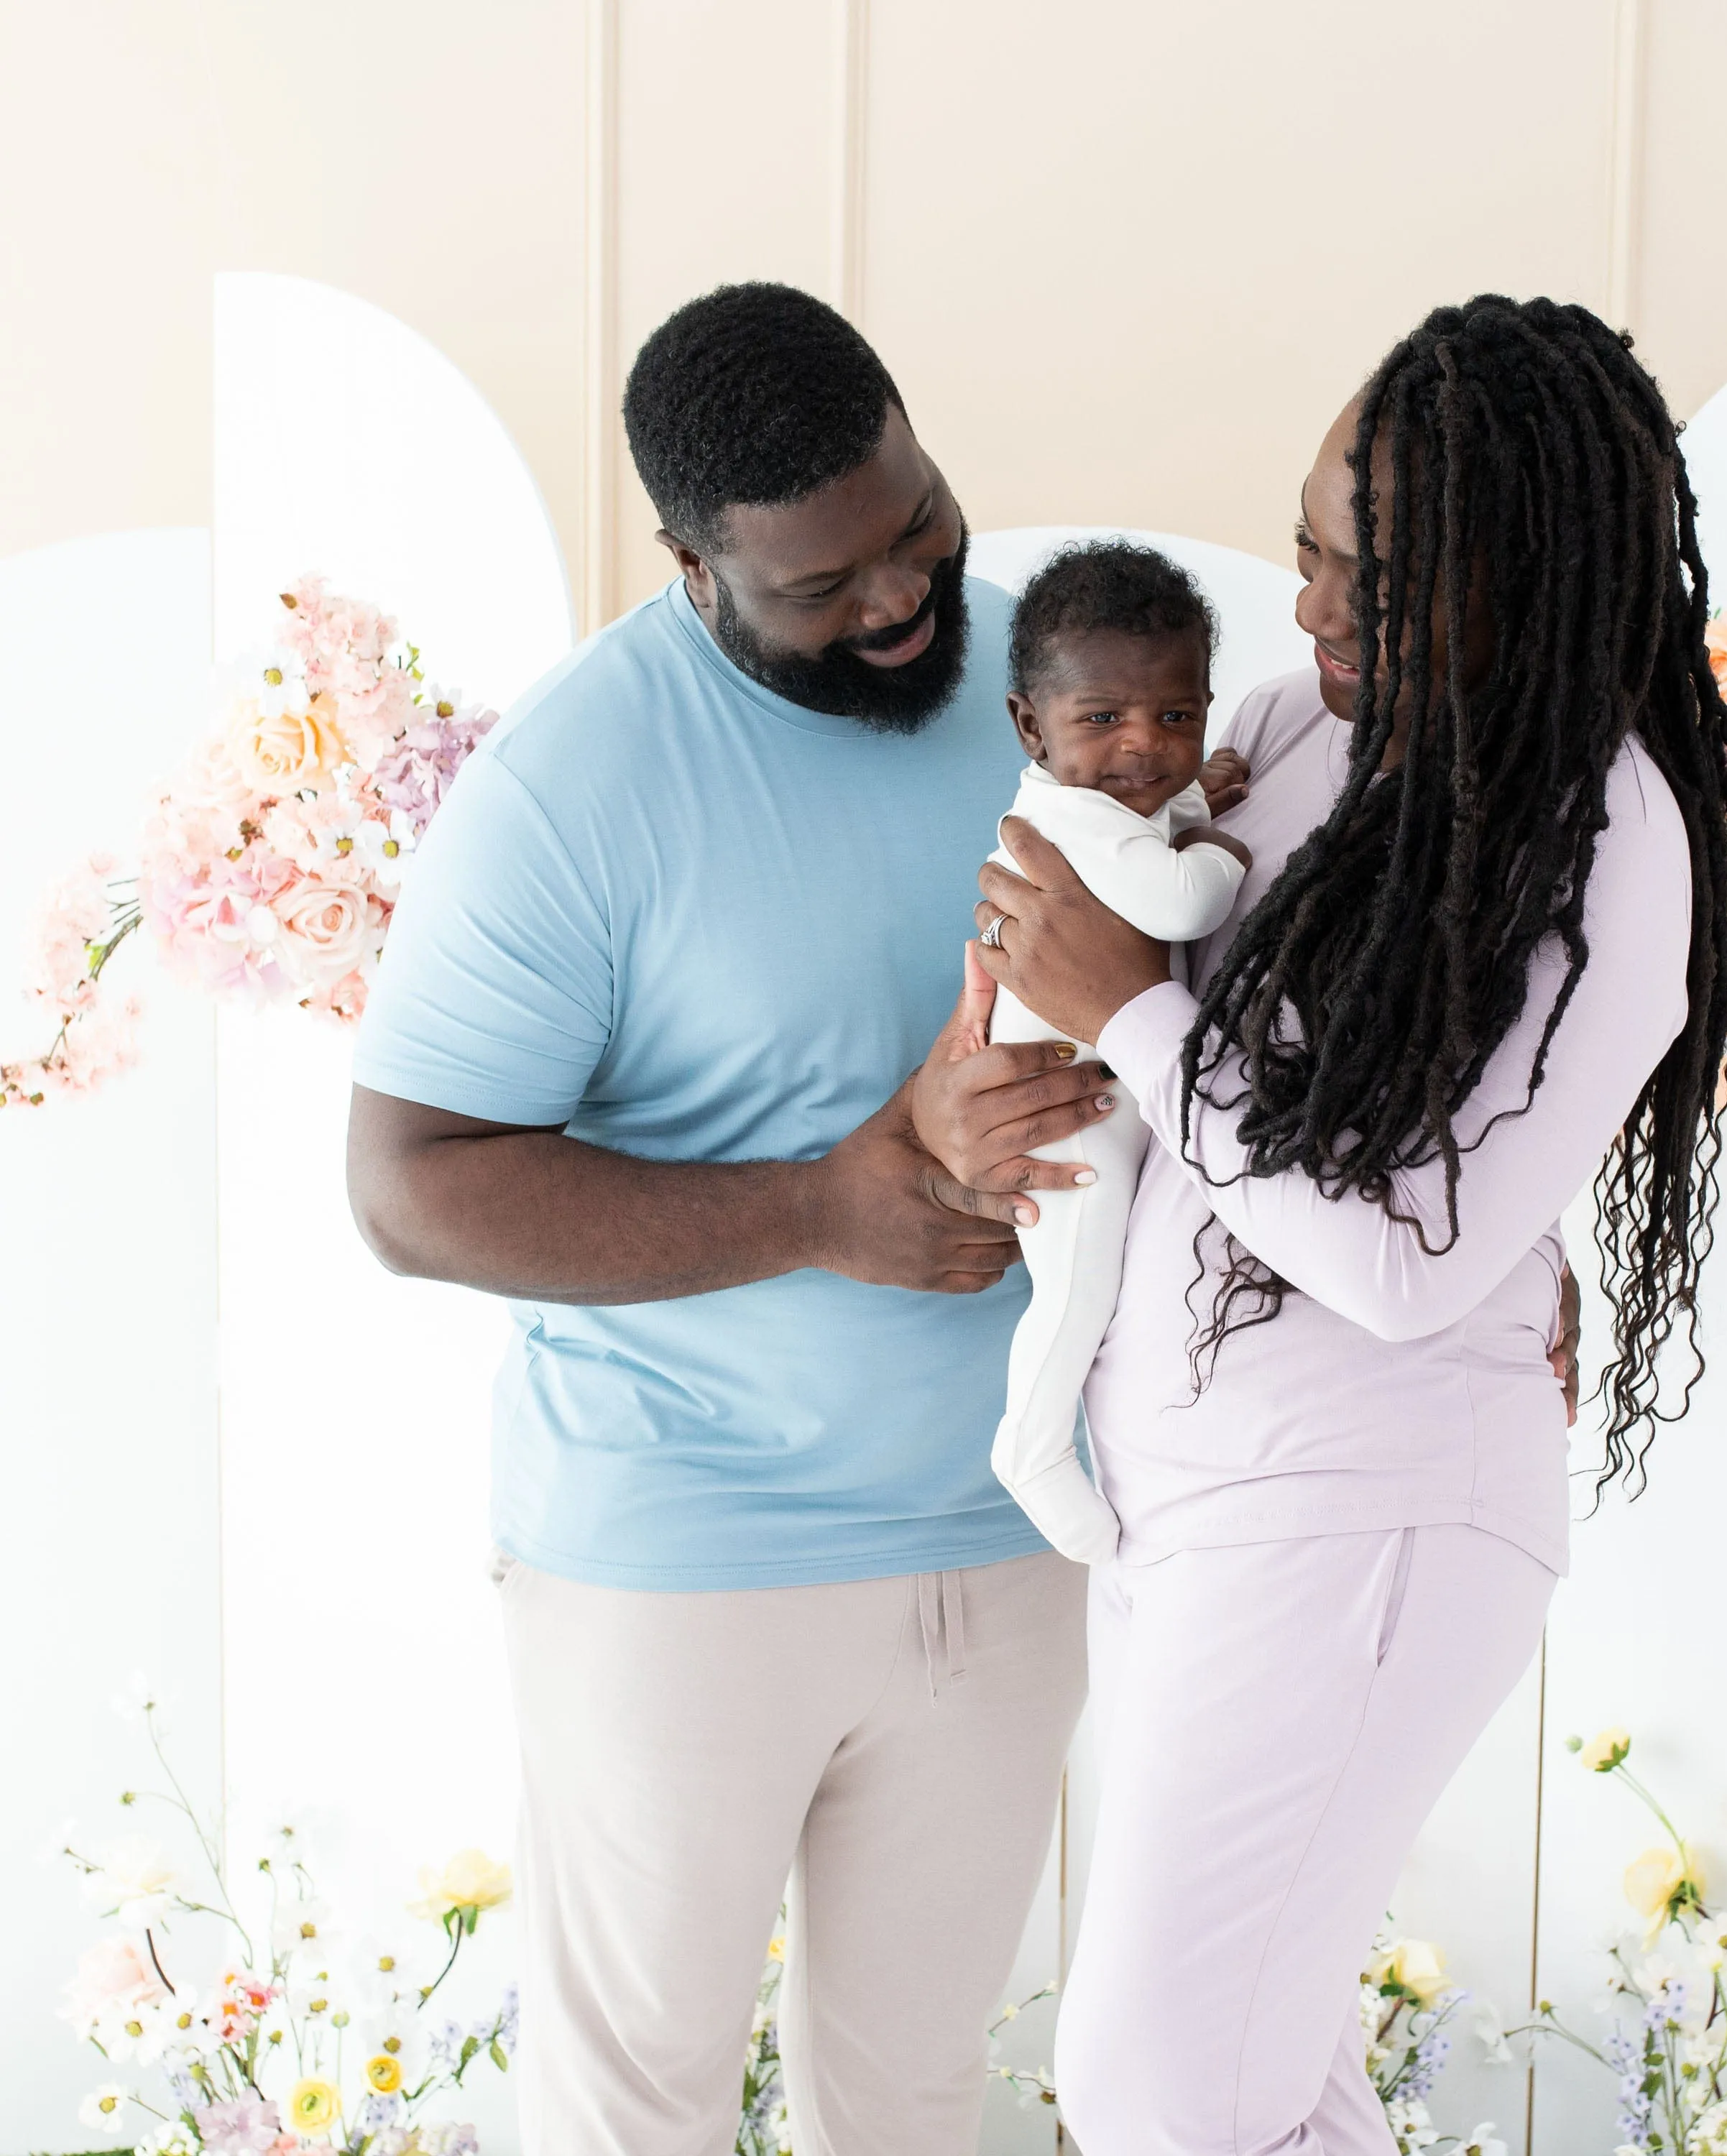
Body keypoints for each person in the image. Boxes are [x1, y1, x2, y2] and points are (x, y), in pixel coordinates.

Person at [926, 294, 1727, 2155]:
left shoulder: (1605, 833)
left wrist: (1134, 1001)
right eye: (1304, 555)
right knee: (1252, 2091)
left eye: (1365, 584)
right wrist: (1007, 1062)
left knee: (1151, 2089)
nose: (1304, 616)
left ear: (1513, 583)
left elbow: (1404, 1259)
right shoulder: (1297, 730)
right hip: (1191, 1484)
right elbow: (1182, 1049)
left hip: (1360, 1515)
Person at [344, 282, 1124, 2156]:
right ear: (695, 569)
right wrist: (824, 1208)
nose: (896, 602)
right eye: (823, 586)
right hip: (676, 1568)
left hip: (1013, 1538)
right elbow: (406, 1186)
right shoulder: (575, 788)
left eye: (916, 527)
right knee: (637, 2116)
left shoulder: (1060, 696)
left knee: (922, 2103)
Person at [982, 540, 1251, 1563]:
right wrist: (1220, 848)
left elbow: (1167, 810)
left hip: (1113, 1102)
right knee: (1080, 1286)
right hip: (1067, 1116)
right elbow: (1174, 895)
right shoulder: (1069, 820)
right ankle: (1033, 1449)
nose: (1143, 746)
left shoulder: (1115, 796)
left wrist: (1198, 797)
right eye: (1102, 720)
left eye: (1176, 717)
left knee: (1115, 1289)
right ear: (1030, 724)